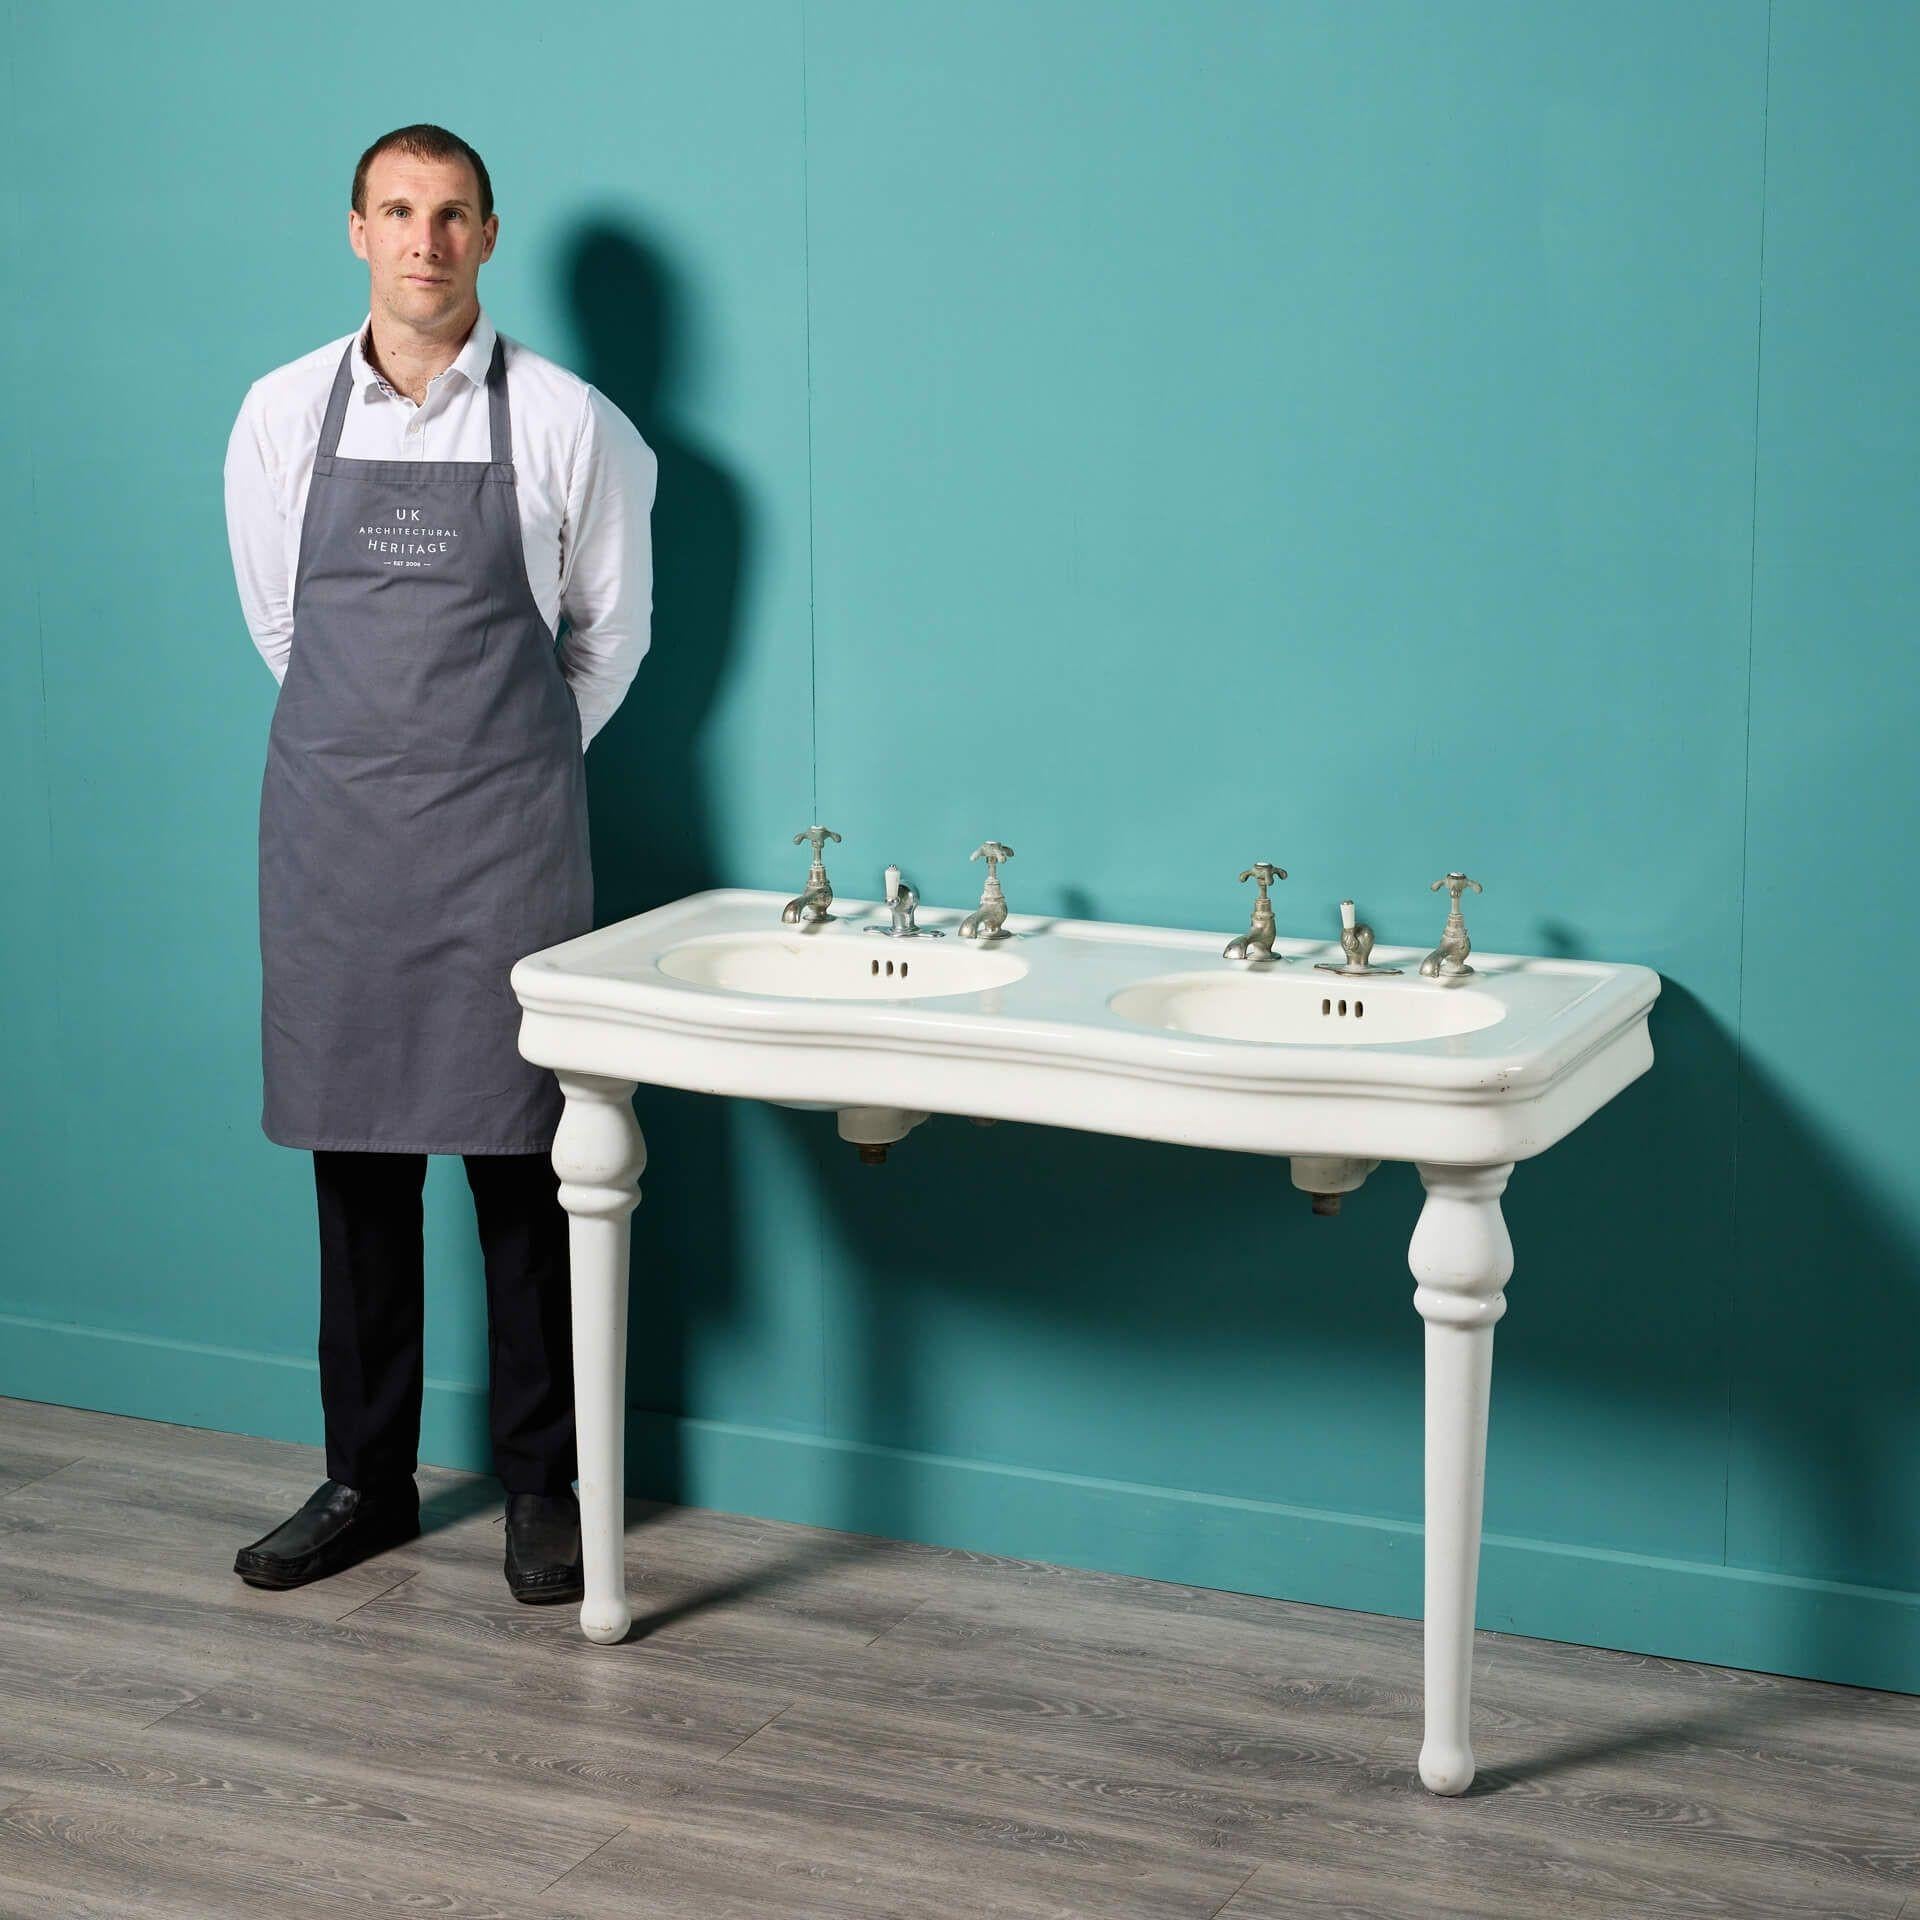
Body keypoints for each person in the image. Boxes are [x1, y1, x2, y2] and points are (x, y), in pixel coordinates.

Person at [221, 124, 657, 1603]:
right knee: (358, 1169)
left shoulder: (567, 422)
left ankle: (545, 1485)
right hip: (338, 839)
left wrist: (504, 767)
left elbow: (609, 640)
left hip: (504, 846)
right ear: (356, 231)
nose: (425, 239)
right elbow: (284, 630)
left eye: (451, 214)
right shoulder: (281, 413)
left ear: (487, 236)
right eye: (398, 212)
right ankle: (367, 1479)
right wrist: (383, 757)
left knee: (524, 1162)